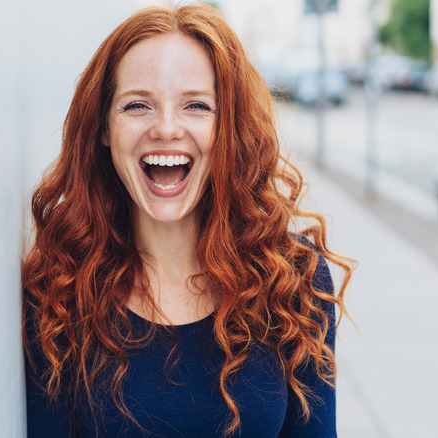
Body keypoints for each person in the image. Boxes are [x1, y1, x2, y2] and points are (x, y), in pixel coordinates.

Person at [22, 3, 354, 437]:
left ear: (229, 127)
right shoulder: (60, 289)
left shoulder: (294, 279)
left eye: (196, 106)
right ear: (103, 128)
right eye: (137, 105)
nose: (165, 128)